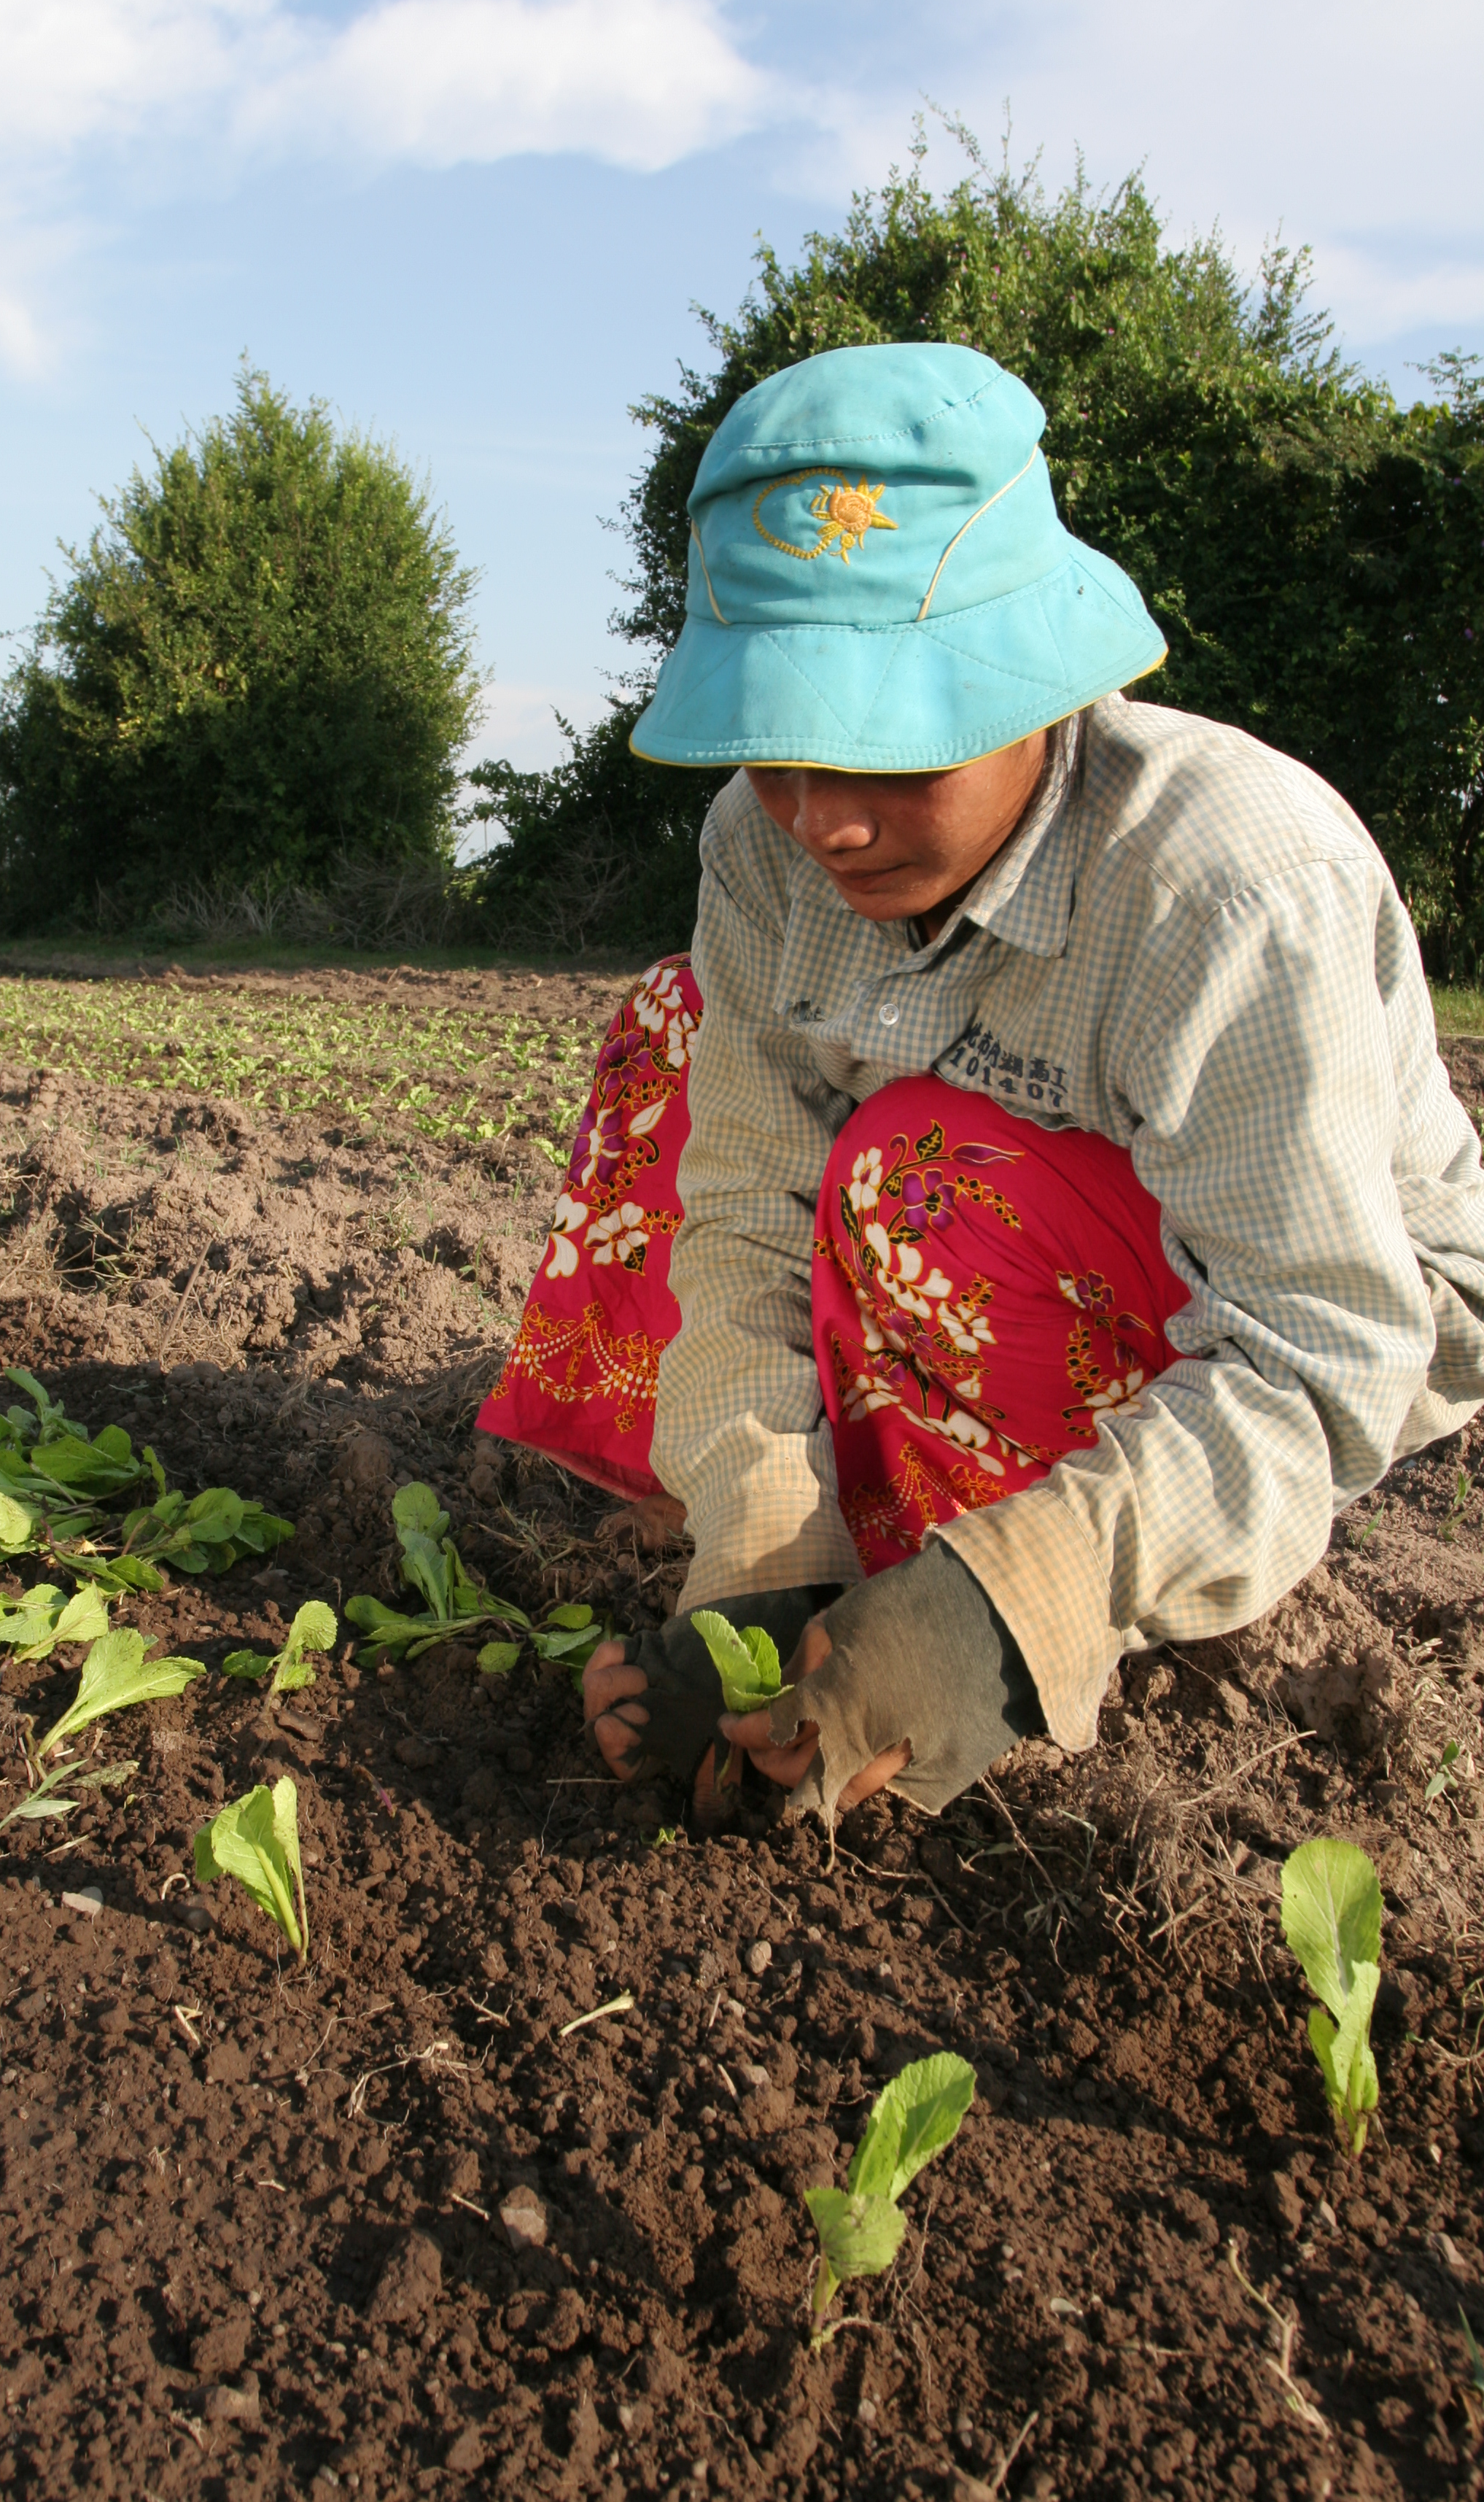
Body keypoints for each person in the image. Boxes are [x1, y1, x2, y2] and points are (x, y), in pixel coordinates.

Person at [478, 340, 1484, 1824]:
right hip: (1004, 1266)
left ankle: (1002, 1573)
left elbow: (1316, 1340)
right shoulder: (760, 856)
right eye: (775, 750)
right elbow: (750, 1203)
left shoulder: (1227, 882)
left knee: (916, 1172)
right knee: (670, 1045)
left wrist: (995, 1621)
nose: (823, 821)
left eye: (882, 749)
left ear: (1036, 687)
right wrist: (761, 1576)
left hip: (1307, 1328)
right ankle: (847, 1569)